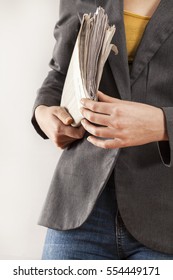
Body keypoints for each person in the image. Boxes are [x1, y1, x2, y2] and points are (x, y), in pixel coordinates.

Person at [31, 0, 173, 259]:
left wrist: (162, 124)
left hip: (164, 213)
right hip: (80, 203)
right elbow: (61, 74)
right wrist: (43, 113)